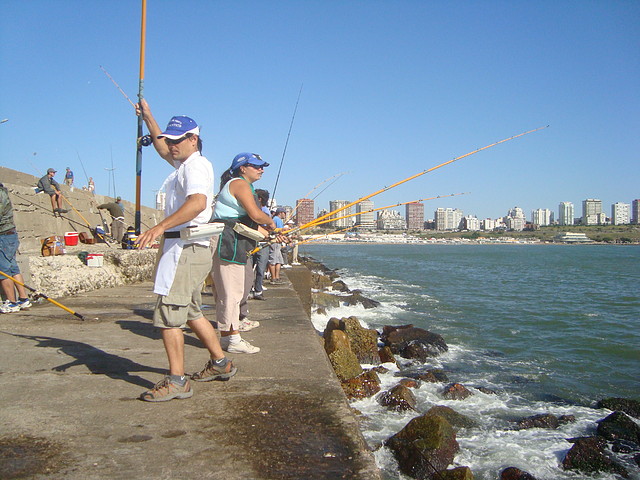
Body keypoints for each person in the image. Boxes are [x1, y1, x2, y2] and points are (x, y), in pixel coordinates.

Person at [135, 98, 235, 402]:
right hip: (184, 246)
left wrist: (159, 227)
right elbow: (161, 148)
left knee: (169, 311)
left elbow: (198, 203)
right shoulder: (184, 162)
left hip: (187, 245)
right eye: (170, 138)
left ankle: (177, 381)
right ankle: (221, 363)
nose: (172, 145)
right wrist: (149, 117)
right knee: (190, 309)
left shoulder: (197, 166)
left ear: (194, 139)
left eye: (179, 140)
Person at [211, 153, 285, 354]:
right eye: (256, 166)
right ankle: (233, 340)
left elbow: (245, 223)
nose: (261, 169)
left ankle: (227, 338)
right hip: (227, 242)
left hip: (228, 239)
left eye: (262, 166)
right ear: (242, 168)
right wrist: (270, 223)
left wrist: (271, 235)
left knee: (227, 292)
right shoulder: (239, 184)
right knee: (232, 292)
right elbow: (254, 214)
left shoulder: (239, 185)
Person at [0, 183, 32, 313]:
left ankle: (12, 303)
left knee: (3, 269)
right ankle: (23, 299)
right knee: (13, 267)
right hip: (9, 236)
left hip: (3, 236)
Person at [249, 189, 271, 301]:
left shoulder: (265, 213)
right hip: (252, 243)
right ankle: (248, 291)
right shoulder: (250, 210)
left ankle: (258, 291)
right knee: (248, 269)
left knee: (260, 269)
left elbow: (268, 228)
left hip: (263, 244)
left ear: (259, 199)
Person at [268, 208, 287, 283]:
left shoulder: (275, 219)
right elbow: (280, 232)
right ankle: (273, 278)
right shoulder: (277, 219)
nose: (285, 215)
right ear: (280, 213)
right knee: (273, 260)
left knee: (279, 260)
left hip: (277, 242)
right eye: (284, 213)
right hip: (275, 242)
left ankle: (277, 277)